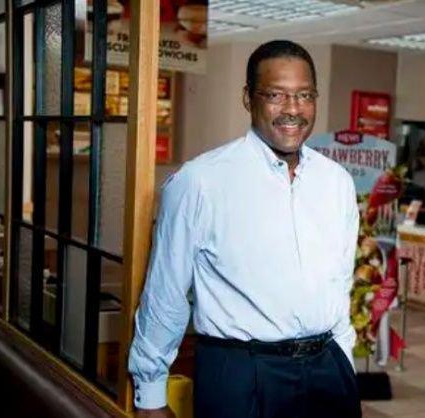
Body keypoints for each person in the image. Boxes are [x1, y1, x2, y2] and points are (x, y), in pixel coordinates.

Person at [129, 40, 361, 418]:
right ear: (248, 98)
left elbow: (340, 283)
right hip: (241, 373)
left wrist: (343, 362)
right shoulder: (200, 182)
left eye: (304, 95)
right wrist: (150, 393)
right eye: (276, 95)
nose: (293, 109)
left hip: (328, 370)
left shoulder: (337, 182)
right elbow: (166, 292)